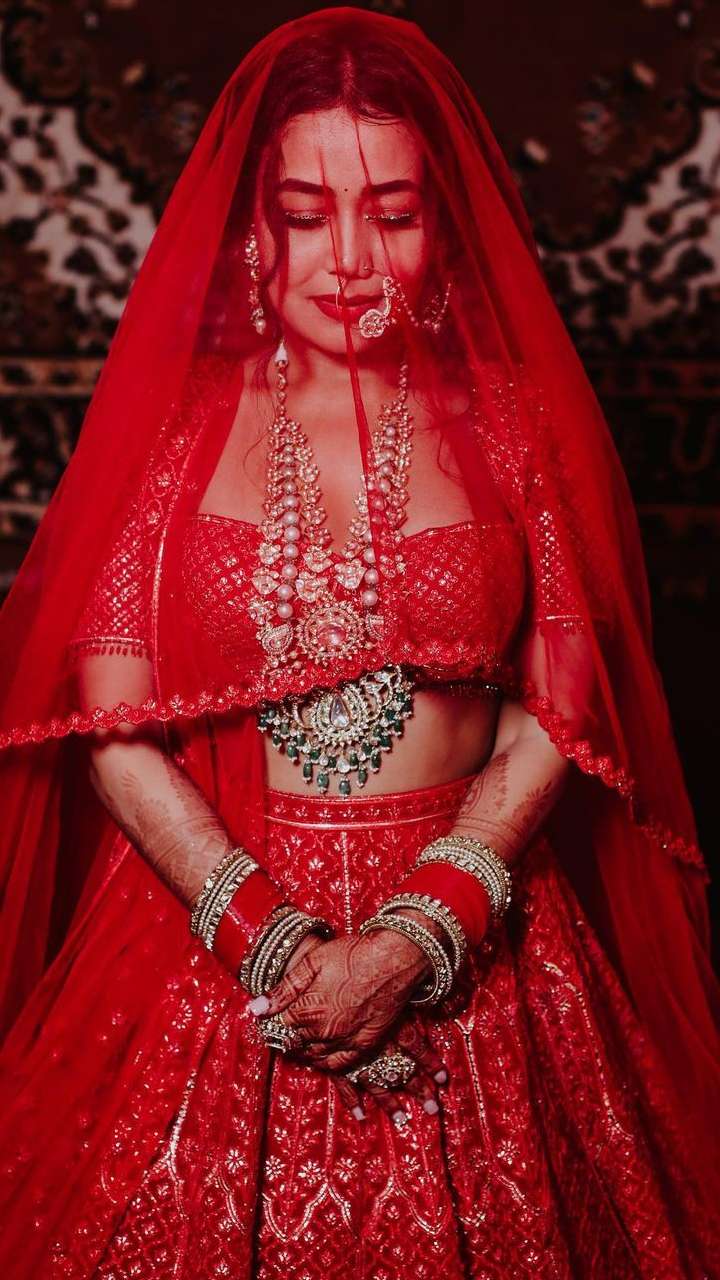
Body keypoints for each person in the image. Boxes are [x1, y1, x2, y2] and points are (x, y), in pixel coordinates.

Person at [0, 7, 718, 1277]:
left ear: (448, 229)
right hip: (207, 938)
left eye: (391, 213)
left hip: (479, 935)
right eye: (305, 212)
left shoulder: (511, 425)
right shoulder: (175, 431)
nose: (349, 260)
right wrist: (271, 941)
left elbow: (566, 705)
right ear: (253, 234)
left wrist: (419, 933)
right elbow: (110, 719)